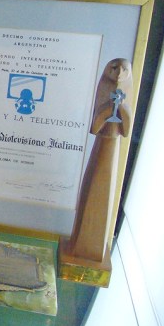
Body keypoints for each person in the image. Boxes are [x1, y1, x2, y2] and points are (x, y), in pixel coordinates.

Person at [67, 58, 132, 261]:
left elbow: (126, 130)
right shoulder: (104, 95)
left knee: (104, 196)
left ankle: (92, 249)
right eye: (114, 68)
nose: (119, 73)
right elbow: (95, 127)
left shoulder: (124, 100)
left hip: (113, 147)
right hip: (101, 147)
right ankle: (81, 244)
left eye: (124, 69)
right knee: (91, 190)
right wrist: (108, 108)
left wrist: (121, 107)